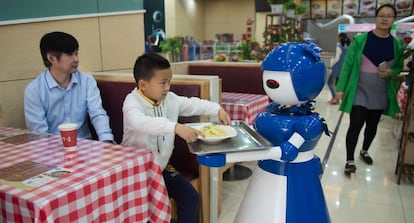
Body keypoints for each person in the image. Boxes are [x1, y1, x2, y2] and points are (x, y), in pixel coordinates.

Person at [121, 52, 231, 222]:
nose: (168, 87)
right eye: (163, 83)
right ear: (143, 84)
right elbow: (138, 122)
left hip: (162, 168)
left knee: (191, 198)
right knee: (145, 211)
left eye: (169, 82)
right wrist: (175, 127)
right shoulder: (132, 102)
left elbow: (193, 104)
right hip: (136, 173)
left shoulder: (170, 100)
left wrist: (217, 109)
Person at [335, 4, 404, 175]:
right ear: (376, 18)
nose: (385, 18)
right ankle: (349, 160)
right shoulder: (361, 40)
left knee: (372, 126)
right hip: (359, 90)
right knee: (355, 124)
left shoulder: (396, 45)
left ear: (393, 20)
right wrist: (340, 88)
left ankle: (364, 150)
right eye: (381, 15)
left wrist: (390, 72)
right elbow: (348, 65)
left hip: (380, 92)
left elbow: (399, 68)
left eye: (389, 16)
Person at [24, 31, 114, 143]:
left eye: (76, 53)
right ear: (52, 58)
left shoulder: (87, 81)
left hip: (85, 147)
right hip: (51, 151)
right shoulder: (34, 90)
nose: (76, 59)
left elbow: (97, 113)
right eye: (70, 55)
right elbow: (38, 134)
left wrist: (106, 139)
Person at [327, 32, 350, 105]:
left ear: (340, 38)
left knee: (330, 82)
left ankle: (334, 98)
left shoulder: (339, 46)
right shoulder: (347, 46)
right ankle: (337, 99)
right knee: (338, 84)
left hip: (337, 67)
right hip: (343, 67)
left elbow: (337, 58)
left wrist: (331, 65)